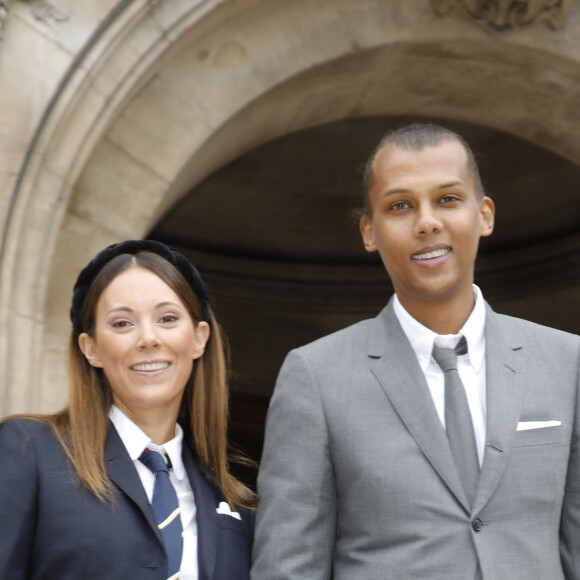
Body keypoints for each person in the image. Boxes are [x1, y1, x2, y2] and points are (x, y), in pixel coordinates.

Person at [251, 123, 580, 579]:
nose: (427, 222)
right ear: (369, 232)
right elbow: (289, 568)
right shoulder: (316, 376)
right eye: (400, 205)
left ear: (484, 215)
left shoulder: (568, 363)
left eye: (447, 199)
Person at [0, 239, 256, 580]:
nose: (148, 338)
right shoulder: (28, 451)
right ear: (90, 348)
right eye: (122, 323)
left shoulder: (237, 504)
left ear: (199, 338)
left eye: (167, 318)